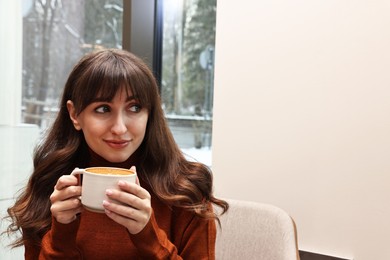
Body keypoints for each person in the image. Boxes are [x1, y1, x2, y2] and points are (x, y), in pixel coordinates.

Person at [5, 49, 228, 259]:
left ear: (150, 114)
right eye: (103, 109)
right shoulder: (51, 186)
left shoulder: (186, 191)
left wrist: (149, 237)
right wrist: (61, 235)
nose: (120, 128)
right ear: (75, 115)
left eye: (134, 108)